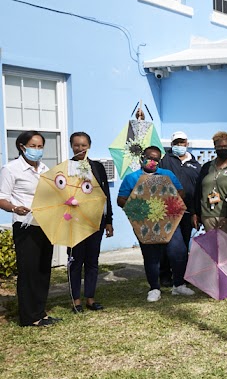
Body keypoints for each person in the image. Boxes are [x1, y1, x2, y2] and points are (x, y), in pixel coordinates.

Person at [117, 146, 193, 302]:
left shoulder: (167, 174)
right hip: (145, 223)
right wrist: (138, 206)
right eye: (149, 158)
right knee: (151, 256)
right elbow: (121, 199)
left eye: (156, 160)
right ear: (142, 158)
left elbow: (181, 192)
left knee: (178, 251)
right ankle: (154, 288)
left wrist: (167, 201)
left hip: (168, 221)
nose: (152, 162)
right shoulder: (132, 178)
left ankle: (179, 285)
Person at [0, 131, 58, 326]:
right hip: (25, 226)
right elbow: (2, 198)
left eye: (40, 146)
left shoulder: (44, 168)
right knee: (29, 270)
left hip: (45, 224)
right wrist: (15, 207)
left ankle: (40, 312)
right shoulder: (11, 169)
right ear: (22, 147)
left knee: (43, 270)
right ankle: (29, 316)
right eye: (33, 146)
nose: (37, 150)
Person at [67, 132, 114, 313]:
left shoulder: (97, 167)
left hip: (97, 221)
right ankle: (76, 301)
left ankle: (90, 298)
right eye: (76, 145)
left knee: (92, 261)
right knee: (76, 260)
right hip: (75, 221)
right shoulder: (66, 168)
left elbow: (105, 194)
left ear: (89, 146)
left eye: (84, 145)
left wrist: (108, 220)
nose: (80, 148)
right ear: (71, 146)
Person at [158, 131, 201, 287]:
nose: (180, 145)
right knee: (167, 245)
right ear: (171, 145)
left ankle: (182, 276)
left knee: (183, 246)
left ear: (187, 144)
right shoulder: (165, 161)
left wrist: (196, 212)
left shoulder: (196, 164)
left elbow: (198, 190)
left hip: (188, 212)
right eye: (176, 143)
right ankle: (164, 275)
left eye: (182, 142)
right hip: (167, 211)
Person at [193, 131, 227, 238]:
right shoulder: (206, 167)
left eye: (226, 146)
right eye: (219, 146)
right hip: (207, 217)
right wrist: (195, 213)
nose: (222, 149)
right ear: (215, 147)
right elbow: (198, 190)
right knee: (213, 252)